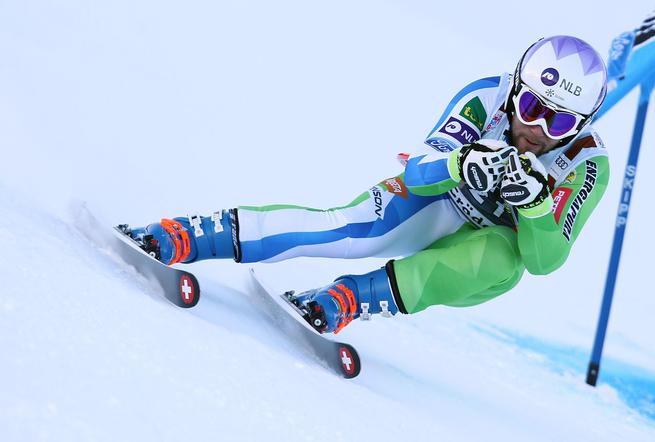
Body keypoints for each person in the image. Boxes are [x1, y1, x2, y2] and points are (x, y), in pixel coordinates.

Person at [128, 35, 611, 334]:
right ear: (515, 91)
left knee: (504, 264)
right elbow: (419, 172)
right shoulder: (488, 94)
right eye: (530, 109)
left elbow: (546, 261)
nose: (537, 132)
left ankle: (350, 299)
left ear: (583, 123)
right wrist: (461, 164)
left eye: (559, 123)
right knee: (349, 232)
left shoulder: (587, 164)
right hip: (438, 199)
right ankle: (191, 234)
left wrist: (535, 206)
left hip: (487, 241)